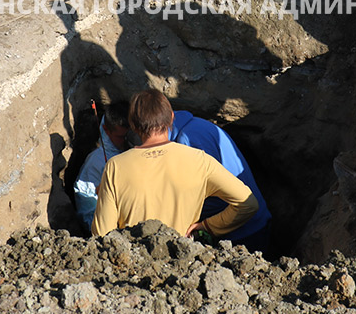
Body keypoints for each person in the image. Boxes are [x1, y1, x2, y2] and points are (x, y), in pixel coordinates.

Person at [92, 90, 259, 238]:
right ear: (171, 117)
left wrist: (107, 194)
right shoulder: (200, 160)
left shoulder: (115, 167)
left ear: (133, 126)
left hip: (134, 265)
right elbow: (247, 203)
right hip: (180, 264)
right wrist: (208, 226)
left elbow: (102, 234)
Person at [170, 109, 272, 251]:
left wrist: (192, 222)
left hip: (244, 231)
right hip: (248, 224)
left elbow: (220, 198)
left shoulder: (188, 140)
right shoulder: (194, 127)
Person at [73, 100, 130, 230]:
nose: (126, 141)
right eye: (121, 137)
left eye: (130, 135)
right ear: (106, 129)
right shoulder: (95, 163)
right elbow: (88, 215)